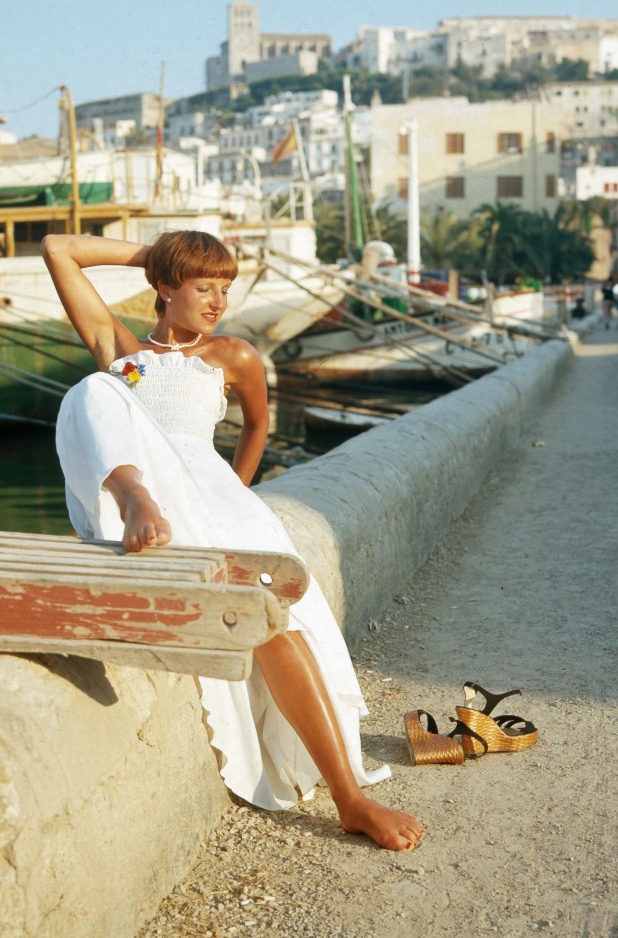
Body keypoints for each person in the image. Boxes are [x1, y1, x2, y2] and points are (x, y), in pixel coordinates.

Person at [41, 230, 424, 852]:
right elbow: (59, 249)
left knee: (272, 624)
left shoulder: (231, 355)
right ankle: (132, 496)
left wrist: (235, 490)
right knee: (94, 388)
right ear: (166, 287)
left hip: (216, 501)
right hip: (151, 500)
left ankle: (350, 800)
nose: (218, 300)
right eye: (203, 286)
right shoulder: (126, 353)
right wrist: (160, 255)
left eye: (225, 287)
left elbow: (257, 425)